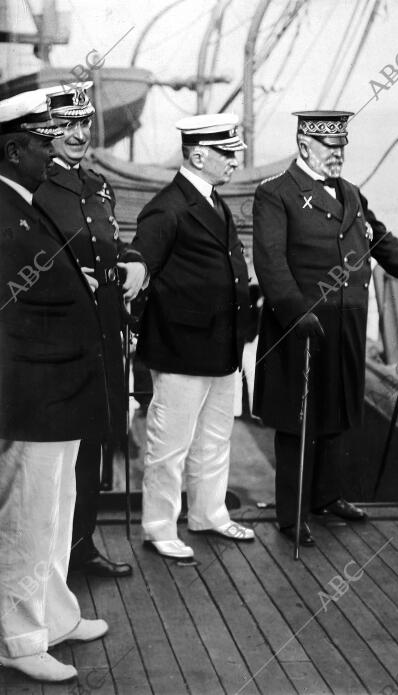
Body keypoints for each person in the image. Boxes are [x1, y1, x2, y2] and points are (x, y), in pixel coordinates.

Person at [252, 110, 398, 546]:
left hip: (347, 319)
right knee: (299, 418)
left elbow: (384, 245)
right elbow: (270, 262)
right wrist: (296, 312)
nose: (339, 155)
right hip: (302, 324)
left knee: (337, 409)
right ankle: (291, 513)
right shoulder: (277, 194)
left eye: (342, 147)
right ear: (304, 146)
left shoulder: (350, 193)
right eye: (331, 148)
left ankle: (328, 496)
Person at [0, 89, 109, 682]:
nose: (51, 154)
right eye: (42, 145)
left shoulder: (25, 201)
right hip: (32, 397)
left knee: (55, 510)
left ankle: (54, 614)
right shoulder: (3, 208)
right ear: (14, 150)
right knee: (25, 519)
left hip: (61, 394)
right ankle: (17, 640)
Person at [34, 83, 147, 578]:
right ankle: (46, 559)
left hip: (101, 337)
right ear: (44, 131)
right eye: (66, 125)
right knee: (51, 456)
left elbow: (110, 245)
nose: (78, 133)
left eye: (84, 123)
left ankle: (80, 546)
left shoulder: (98, 186)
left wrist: (136, 263)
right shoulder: (30, 186)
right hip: (53, 343)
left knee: (92, 445)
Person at [131, 114, 253, 559]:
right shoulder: (168, 207)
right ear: (198, 154)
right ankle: (159, 526)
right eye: (227, 153)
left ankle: (208, 513)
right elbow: (141, 261)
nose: (234, 161)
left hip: (222, 347)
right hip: (182, 349)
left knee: (215, 438)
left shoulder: (212, 202)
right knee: (170, 445)